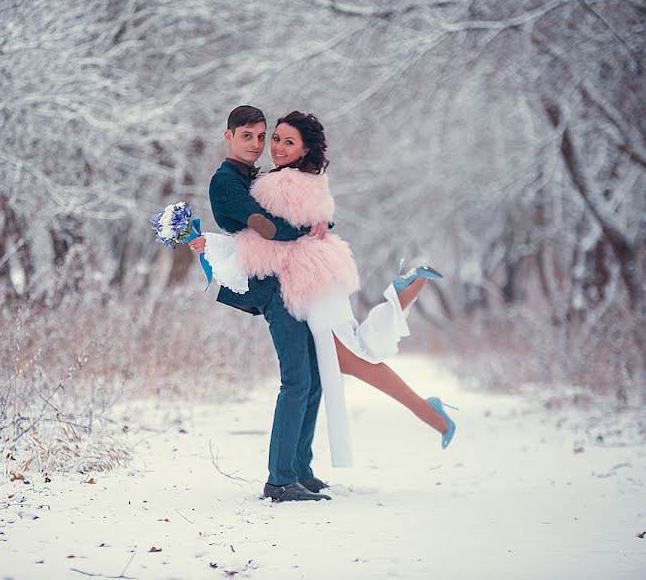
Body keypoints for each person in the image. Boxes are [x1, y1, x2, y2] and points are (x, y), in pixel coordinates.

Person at [189, 111, 457, 462]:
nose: (267, 145)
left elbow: (269, 227)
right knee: (340, 360)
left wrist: (305, 226)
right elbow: (259, 227)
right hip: (316, 275)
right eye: (266, 138)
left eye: (275, 138)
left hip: (300, 281)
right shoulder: (288, 178)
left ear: (304, 149)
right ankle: (405, 303)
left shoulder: (275, 182)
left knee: (337, 362)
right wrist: (210, 242)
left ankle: (288, 474)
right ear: (229, 136)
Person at [198, 105, 331, 502]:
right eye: (249, 137)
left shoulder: (254, 176)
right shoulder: (225, 181)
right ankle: (280, 479)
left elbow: (288, 210)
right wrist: (308, 230)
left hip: (292, 280)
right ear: (229, 136)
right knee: (296, 380)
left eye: (263, 136)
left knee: (315, 378)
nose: (259, 145)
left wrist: (321, 223)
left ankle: (301, 469)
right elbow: (266, 226)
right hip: (271, 287)